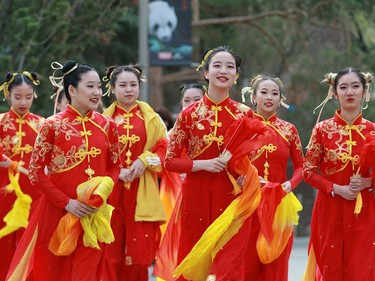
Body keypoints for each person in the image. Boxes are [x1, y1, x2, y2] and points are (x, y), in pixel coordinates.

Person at [155, 46, 264, 281]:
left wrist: (247, 175)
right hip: (196, 196)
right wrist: (202, 165)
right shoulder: (188, 115)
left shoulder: (245, 114)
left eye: (230, 67)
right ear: (206, 73)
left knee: (231, 266)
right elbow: (171, 161)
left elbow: (250, 157)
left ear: (236, 75)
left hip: (234, 198)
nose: (223, 71)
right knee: (193, 262)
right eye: (217, 65)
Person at [7, 60, 121, 281]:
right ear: (71, 90)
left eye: (99, 86)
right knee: (53, 272)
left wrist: (102, 193)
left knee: (85, 273)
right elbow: (36, 172)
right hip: (58, 212)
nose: (97, 92)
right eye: (90, 86)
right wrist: (67, 203)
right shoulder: (52, 125)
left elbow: (115, 166)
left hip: (93, 213)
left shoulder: (109, 126)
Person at [302, 68, 375, 280]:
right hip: (329, 208)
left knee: (361, 268)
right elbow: (308, 171)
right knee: (330, 268)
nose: (349, 92)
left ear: (364, 91)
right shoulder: (322, 130)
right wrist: (336, 189)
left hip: (364, 210)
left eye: (355, 86)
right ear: (334, 93)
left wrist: (367, 182)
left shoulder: (373, 131)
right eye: (343, 87)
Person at [100, 64, 167, 281]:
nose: (129, 89)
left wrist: (144, 159)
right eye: (123, 85)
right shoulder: (102, 120)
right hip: (112, 190)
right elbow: (96, 153)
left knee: (139, 252)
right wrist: (116, 171)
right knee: (110, 249)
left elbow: (164, 147)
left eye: (133, 85)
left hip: (142, 189)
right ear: (112, 88)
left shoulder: (152, 118)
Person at [241, 75, 304, 280]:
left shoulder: (289, 130)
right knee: (246, 264)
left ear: (280, 99)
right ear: (254, 97)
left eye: (274, 93)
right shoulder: (242, 126)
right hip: (246, 203)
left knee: (276, 265)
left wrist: (288, 185)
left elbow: (301, 167)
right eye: (264, 92)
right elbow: (229, 161)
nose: (269, 97)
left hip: (279, 203)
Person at [0, 71, 44, 280]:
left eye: (28, 97)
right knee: (4, 241)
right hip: (4, 191)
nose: (23, 102)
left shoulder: (43, 124)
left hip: (34, 193)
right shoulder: (0, 122)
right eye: (18, 97)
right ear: (8, 95)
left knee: (30, 243)